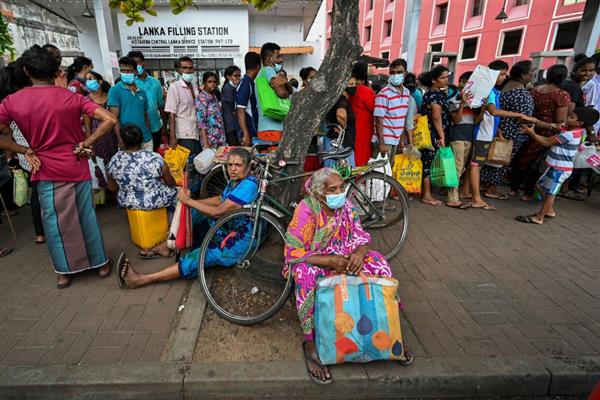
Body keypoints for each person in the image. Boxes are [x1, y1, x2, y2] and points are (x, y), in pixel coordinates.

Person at [0, 45, 117, 288]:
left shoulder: (13, 101)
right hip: (76, 163)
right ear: (56, 71)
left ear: (26, 70)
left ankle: (64, 272)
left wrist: (24, 150)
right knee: (85, 216)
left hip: (44, 167)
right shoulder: (73, 97)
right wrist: (87, 141)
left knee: (54, 221)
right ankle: (101, 264)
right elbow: (110, 120)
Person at [284, 168, 394, 384]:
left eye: (341, 187)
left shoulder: (347, 206)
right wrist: (330, 261)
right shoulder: (307, 209)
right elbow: (293, 252)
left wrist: (359, 255)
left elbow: (360, 237)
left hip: (345, 257)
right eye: (332, 189)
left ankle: (389, 326)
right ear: (318, 193)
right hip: (316, 260)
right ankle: (310, 343)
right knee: (306, 276)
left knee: (378, 262)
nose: (340, 192)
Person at [117, 148, 259, 288]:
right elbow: (220, 199)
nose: (233, 169)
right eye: (230, 165)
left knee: (198, 257)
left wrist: (189, 202)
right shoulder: (237, 180)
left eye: (238, 165)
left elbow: (218, 212)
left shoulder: (248, 186)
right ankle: (167, 246)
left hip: (238, 240)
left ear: (248, 168)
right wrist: (190, 202)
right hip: (229, 225)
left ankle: (142, 279)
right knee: (195, 214)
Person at [467, 60, 535, 211]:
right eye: (502, 74)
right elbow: (493, 112)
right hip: (483, 134)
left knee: (476, 164)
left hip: (486, 132)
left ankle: (470, 193)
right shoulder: (490, 92)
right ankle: (476, 198)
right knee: (476, 165)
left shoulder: (494, 91)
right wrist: (520, 115)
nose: (505, 77)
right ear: (493, 75)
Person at [516, 107, 599, 225]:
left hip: (559, 169)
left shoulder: (570, 134)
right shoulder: (572, 131)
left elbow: (546, 142)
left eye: (571, 117)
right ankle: (548, 210)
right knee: (540, 186)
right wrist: (533, 122)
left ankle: (540, 217)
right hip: (555, 166)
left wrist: (531, 133)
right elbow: (552, 129)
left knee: (550, 194)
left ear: (579, 123)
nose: (567, 118)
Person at [107, 124, 177, 258]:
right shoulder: (154, 157)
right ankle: (169, 238)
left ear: (122, 140)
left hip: (127, 200)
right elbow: (170, 181)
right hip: (152, 200)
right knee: (180, 195)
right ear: (141, 139)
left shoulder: (114, 159)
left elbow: (112, 188)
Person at [0, 57, 45, 244]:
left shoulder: (8, 103)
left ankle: (39, 233)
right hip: (34, 151)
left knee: (37, 190)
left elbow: (7, 132)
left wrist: (16, 152)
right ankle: (44, 231)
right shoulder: (18, 102)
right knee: (42, 191)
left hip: (26, 152)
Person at [510, 64, 571, 201]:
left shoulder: (535, 90)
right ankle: (528, 192)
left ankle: (514, 188)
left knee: (522, 158)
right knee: (537, 163)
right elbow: (560, 121)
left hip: (528, 128)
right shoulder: (562, 95)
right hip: (546, 133)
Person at [373, 58, 416, 164]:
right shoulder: (384, 94)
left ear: (405, 73)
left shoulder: (406, 93)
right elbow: (379, 120)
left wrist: (401, 141)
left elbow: (401, 119)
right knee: (379, 175)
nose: (395, 75)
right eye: (392, 72)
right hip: (384, 141)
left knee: (389, 172)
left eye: (399, 72)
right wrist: (381, 143)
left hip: (395, 140)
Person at [420, 65, 451, 206]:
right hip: (433, 134)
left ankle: (427, 192)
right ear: (434, 80)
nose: (446, 80)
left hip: (431, 133)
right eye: (442, 78)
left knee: (429, 163)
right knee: (428, 163)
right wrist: (441, 136)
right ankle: (426, 195)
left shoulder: (431, 93)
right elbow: (436, 117)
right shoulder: (435, 95)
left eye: (447, 77)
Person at [446, 71, 477, 208]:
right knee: (457, 168)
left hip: (468, 137)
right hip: (457, 136)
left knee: (461, 167)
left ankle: (451, 193)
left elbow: (476, 120)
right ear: (463, 82)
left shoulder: (475, 102)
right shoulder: (453, 100)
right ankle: (452, 198)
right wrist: (462, 105)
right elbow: (456, 120)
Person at [107, 56, 152, 151]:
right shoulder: (115, 90)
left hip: (145, 139)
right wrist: (121, 140)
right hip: (127, 140)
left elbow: (145, 115)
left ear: (135, 72)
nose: (126, 73)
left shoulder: (142, 92)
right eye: (123, 71)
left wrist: (148, 132)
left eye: (129, 71)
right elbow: (113, 119)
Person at [128, 51, 167, 152]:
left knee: (154, 156)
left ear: (143, 63)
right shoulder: (129, 84)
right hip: (136, 130)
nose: (136, 66)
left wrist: (164, 127)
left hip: (155, 127)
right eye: (133, 64)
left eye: (138, 63)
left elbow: (161, 105)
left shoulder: (155, 82)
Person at [256, 42, 292, 142]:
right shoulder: (268, 70)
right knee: (276, 157)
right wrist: (286, 84)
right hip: (272, 129)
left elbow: (289, 90)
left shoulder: (262, 73)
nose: (281, 60)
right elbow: (281, 93)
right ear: (269, 59)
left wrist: (286, 81)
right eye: (278, 56)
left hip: (267, 128)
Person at [165, 56, 200, 155]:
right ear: (179, 70)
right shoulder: (174, 88)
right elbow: (171, 114)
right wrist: (172, 138)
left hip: (197, 132)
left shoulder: (194, 86)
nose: (188, 70)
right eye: (185, 68)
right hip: (184, 134)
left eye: (190, 68)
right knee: (188, 165)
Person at [82, 71, 118, 162]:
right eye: (86, 80)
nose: (88, 82)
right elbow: (87, 124)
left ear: (100, 82)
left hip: (112, 136)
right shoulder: (86, 101)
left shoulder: (110, 97)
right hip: (97, 137)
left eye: (91, 79)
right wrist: (90, 144)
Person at [324, 77, 357, 166]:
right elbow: (341, 115)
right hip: (341, 143)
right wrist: (343, 127)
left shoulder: (334, 99)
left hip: (334, 141)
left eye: (355, 84)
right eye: (351, 84)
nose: (354, 87)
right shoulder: (342, 99)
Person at [348, 62, 376, 167]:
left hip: (350, 129)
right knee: (362, 158)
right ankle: (359, 181)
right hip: (363, 130)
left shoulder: (348, 88)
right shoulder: (366, 91)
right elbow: (375, 110)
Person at [196, 71, 227, 150]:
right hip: (209, 140)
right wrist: (206, 144)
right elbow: (201, 123)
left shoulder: (214, 97)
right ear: (204, 83)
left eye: (214, 82)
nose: (212, 84)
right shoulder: (201, 98)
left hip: (220, 138)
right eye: (209, 82)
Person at [236, 52, 261, 147]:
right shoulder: (246, 84)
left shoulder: (249, 82)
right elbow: (240, 110)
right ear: (258, 66)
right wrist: (246, 134)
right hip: (248, 133)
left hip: (252, 131)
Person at [221, 65, 242, 145]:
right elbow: (234, 108)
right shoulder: (228, 89)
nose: (238, 78)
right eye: (235, 76)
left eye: (239, 76)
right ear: (228, 77)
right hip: (231, 125)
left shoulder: (233, 88)